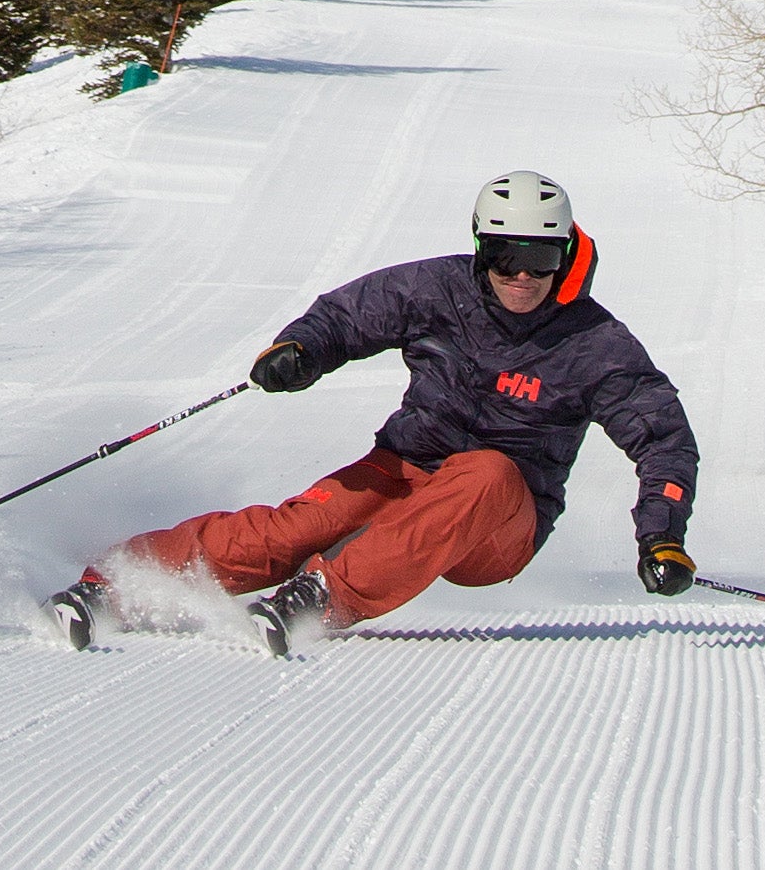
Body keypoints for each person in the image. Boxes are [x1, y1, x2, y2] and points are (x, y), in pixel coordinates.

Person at [46, 171, 702, 656]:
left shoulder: (596, 343)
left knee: (489, 472)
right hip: (405, 468)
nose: (520, 276)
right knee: (299, 526)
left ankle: (324, 596)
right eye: (504, 256)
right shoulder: (437, 289)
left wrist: (661, 536)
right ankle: (121, 583)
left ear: (563, 254)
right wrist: (300, 349)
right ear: (481, 249)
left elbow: (664, 440)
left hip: (499, 523)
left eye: (537, 258)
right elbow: (347, 315)